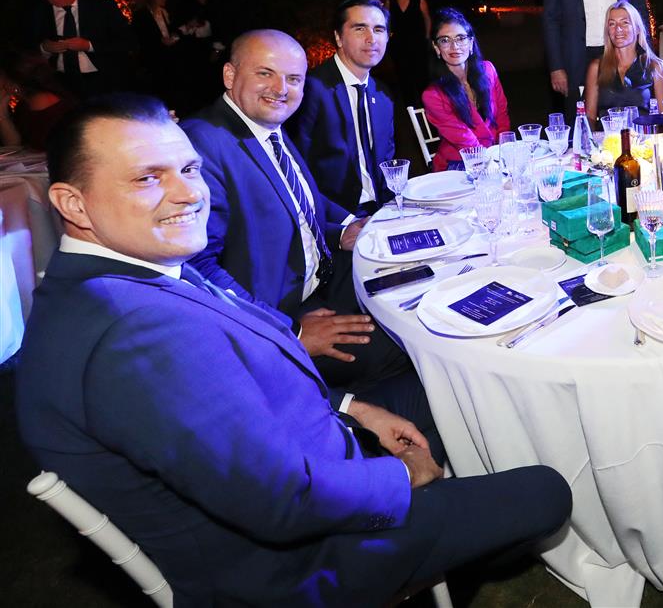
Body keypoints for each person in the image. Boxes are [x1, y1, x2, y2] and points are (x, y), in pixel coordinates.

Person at [16, 93, 572, 606]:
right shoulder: (134, 332)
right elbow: (283, 501)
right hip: (300, 562)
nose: (189, 193)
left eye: (189, 168)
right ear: (73, 203)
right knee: (546, 493)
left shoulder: (121, 276)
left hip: (307, 455)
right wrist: (402, 478)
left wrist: (354, 408)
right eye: (146, 178)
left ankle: (451, 521)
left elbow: (238, 403)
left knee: (439, 384)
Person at [182, 30, 408, 392]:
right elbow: (195, 268)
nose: (280, 88)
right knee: (405, 347)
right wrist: (291, 331)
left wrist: (340, 232)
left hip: (324, 275)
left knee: (413, 282)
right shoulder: (202, 144)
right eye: (265, 73)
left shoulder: (267, 126)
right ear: (229, 75)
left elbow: (296, 205)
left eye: (293, 79)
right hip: (277, 313)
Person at [290, 0, 397, 216]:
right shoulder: (311, 89)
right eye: (360, 28)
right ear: (338, 37)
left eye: (379, 29)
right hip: (333, 216)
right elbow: (296, 167)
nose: (371, 39)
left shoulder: (383, 93)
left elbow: (387, 160)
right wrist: (343, 223)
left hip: (382, 209)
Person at [23, 0, 137, 96]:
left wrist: (89, 45)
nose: (53, 0)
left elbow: (129, 41)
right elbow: (25, 45)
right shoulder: (37, 10)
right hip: (59, 82)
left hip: (102, 79)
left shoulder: (102, 5)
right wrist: (44, 48)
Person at [422, 8, 511, 172]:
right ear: (436, 47)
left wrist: (504, 150)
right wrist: (492, 164)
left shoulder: (488, 70)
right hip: (459, 163)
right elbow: (465, 140)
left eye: (461, 38)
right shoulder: (433, 95)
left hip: (495, 154)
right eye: (445, 40)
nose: (454, 46)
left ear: (471, 43)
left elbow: (502, 116)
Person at [584, 0, 663, 124]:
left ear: (637, 28)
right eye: (612, 24)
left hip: (643, 135)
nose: (618, 29)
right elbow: (589, 119)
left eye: (625, 23)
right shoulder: (596, 67)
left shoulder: (656, 67)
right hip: (607, 136)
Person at [0, 50, 77, 150]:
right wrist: (2, 113)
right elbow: (13, 146)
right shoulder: (22, 106)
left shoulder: (50, 108)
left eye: (3, 77)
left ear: (13, 84)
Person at [385, 0, 432, 105]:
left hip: (418, 44)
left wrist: (427, 38)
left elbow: (427, 18)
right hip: (399, 46)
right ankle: (411, 110)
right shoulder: (390, 2)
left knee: (422, 78)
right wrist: (387, 39)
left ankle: (428, 108)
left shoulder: (418, 0)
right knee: (404, 79)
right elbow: (386, 22)